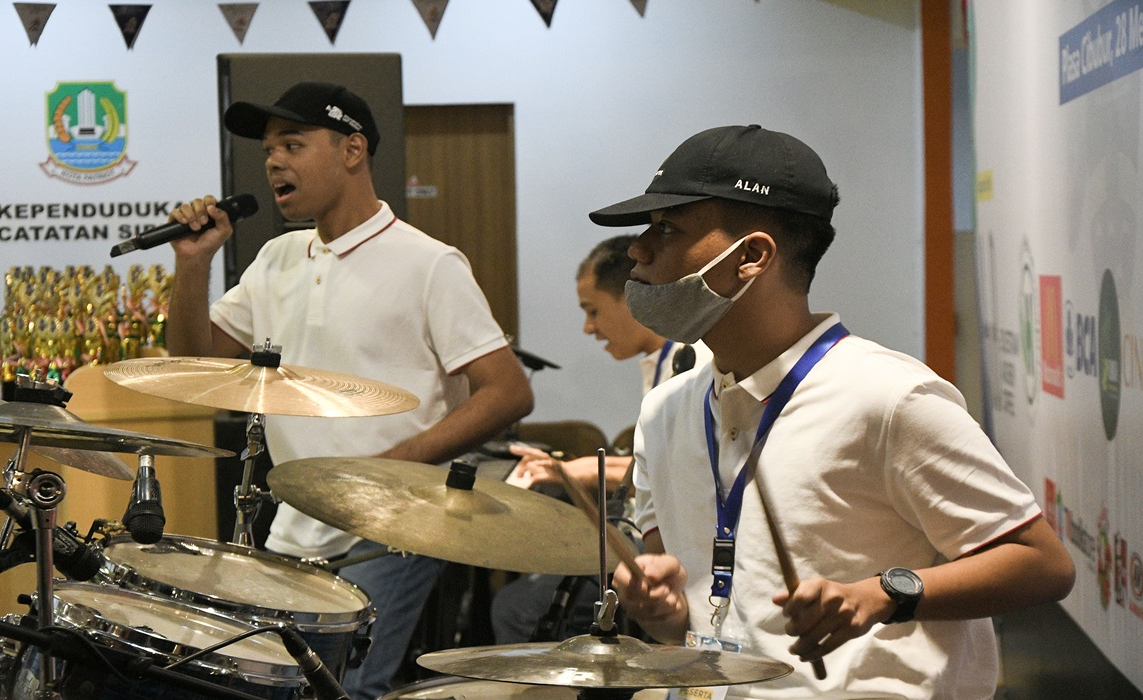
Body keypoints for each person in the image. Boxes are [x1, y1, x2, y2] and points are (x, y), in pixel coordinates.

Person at [595, 125, 1075, 699]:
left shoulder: (889, 398)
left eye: (667, 228)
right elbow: (689, 616)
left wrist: (881, 594)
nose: (637, 249)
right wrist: (662, 610)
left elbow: (1042, 564)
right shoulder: (666, 411)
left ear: (750, 256)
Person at [164, 82, 533, 700]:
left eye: (293, 144)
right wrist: (192, 264)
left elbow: (507, 391)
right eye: (267, 151)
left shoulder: (430, 263)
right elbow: (193, 360)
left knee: (350, 688)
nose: (274, 161)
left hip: (396, 526)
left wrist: (390, 471)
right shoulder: (277, 257)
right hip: (295, 521)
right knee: (276, 687)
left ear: (352, 150)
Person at [493, 234, 710, 644]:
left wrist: (574, 472)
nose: (588, 328)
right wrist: (566, 471)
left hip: (676, 548)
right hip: (649, 530)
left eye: (593, 311)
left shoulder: (693, 364)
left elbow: (675, 477)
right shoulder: (665, 363)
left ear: (632, 300)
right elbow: (652, 467)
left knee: (517, 609)